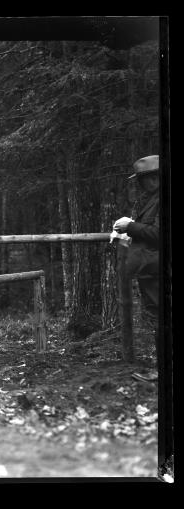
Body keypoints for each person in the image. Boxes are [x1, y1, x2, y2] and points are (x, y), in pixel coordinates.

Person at [113, 155, 160, 382]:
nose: (140, 185)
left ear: (154, 178)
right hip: (150, 269)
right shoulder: (151, 199)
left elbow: (159, 234)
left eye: (142, 180)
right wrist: (125, 234)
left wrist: (130, 226)